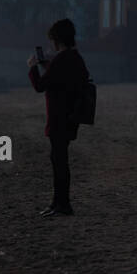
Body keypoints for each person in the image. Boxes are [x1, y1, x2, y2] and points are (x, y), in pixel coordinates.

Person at [28, 18, 89, 216]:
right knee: (60, 159)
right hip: (71, 117)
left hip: (58, 118)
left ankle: (62, 203)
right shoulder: (76, 58)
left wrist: (32, 67)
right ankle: (59, 202)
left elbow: (40, 86)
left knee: (59, 161)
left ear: (57, 40)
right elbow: (64, 78)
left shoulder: (61, 60)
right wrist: (48, 64)